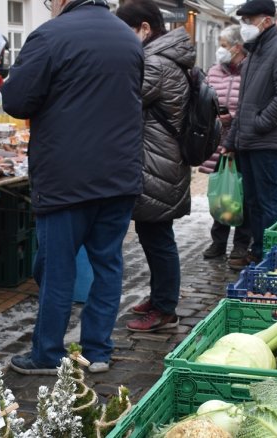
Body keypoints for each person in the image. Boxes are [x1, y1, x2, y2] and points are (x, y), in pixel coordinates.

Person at [1, 0, 144, 375]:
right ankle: (98, 351)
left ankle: (47, 354)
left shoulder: (50, 35)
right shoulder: (127, 38)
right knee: (107, 264)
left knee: (57, 269)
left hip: (67, 178)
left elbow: (16, 100)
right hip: (119, 174)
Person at [115, 0, 193, 333]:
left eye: (126, 31)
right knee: (153, 234)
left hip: (157, 163)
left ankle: (164, 308)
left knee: (158, 237)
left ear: (145, 29)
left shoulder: (156, 63)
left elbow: (122, 100)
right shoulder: (166, 57)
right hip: (160, 160)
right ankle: (160, 297)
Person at [225, 0, 277, 270]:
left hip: (265, 142)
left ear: (266, 21)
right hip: (248, 141)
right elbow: (244, 104)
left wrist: (259, 123)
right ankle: (258, 251)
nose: (245, 26)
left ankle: (271, 254)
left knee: (267, 202)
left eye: (249, 20)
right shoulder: (255, 52)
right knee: (252, 202)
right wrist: (232, 139)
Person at [199, 25, 251, 262]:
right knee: (221, 192)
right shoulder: (214, 72)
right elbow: (205, 98)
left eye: (223, 45)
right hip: (218, 140)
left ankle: (241, 244)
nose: (220, 50)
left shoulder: (249, 70)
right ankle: (218, 241)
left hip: (242, 141)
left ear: (237, 47)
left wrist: (232, 119)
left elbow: (249, 106)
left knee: (241, 193)